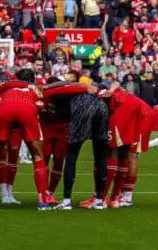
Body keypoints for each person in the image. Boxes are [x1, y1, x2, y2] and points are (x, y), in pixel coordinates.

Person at [0, 68, 50, 210]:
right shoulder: (35, 88)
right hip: (27, 109)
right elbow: (42, 103)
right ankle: (43, 201)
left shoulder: (6, 86)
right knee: (37, 155)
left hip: (5, 109)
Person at [49, 70, 110, 211]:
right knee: (100, 156)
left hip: (82, 107)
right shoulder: (92, 85)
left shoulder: (68, 86)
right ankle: (100, 200)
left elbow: (58, 88)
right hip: (101, 106)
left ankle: (66, 200)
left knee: (71, 156)